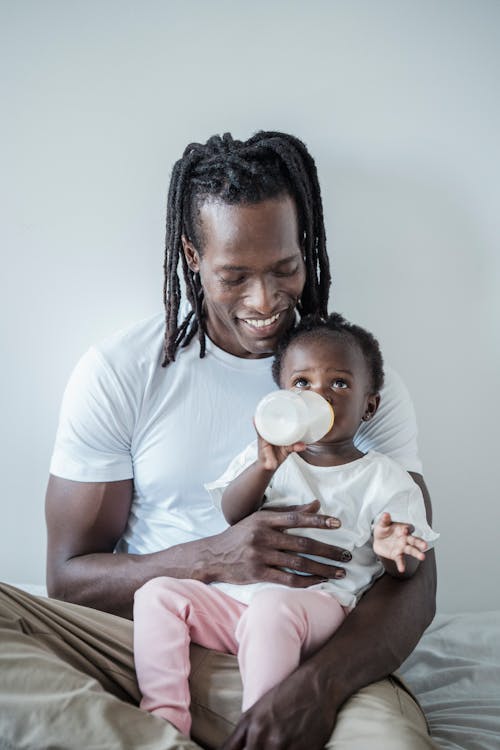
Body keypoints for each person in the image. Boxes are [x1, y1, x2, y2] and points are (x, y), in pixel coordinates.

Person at [0, 131, 437, 750]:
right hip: (141, 645)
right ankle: (161, 732)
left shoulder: (355, 384)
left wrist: (310, 692)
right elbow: (68, 580)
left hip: (312, 649)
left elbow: (415, 580)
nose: (265, 301)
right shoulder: (124, 371)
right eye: (235, 275)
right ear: (192, 256)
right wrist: (213, 556)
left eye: (285, 268)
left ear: (305, 249)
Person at [133, 313, 439, 738]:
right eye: (302, 384)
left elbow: (407, 569)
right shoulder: (270, 457)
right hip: (240, 605)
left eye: (339, 384)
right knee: (158, 593)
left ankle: (260, 723)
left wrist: (393, 551)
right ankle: (164, 717)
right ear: (282, 398)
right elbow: (234, 515)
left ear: (369, 405)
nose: (319, 396)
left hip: (318, 608)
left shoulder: (385, 478)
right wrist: (263, 468)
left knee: (272, 610)